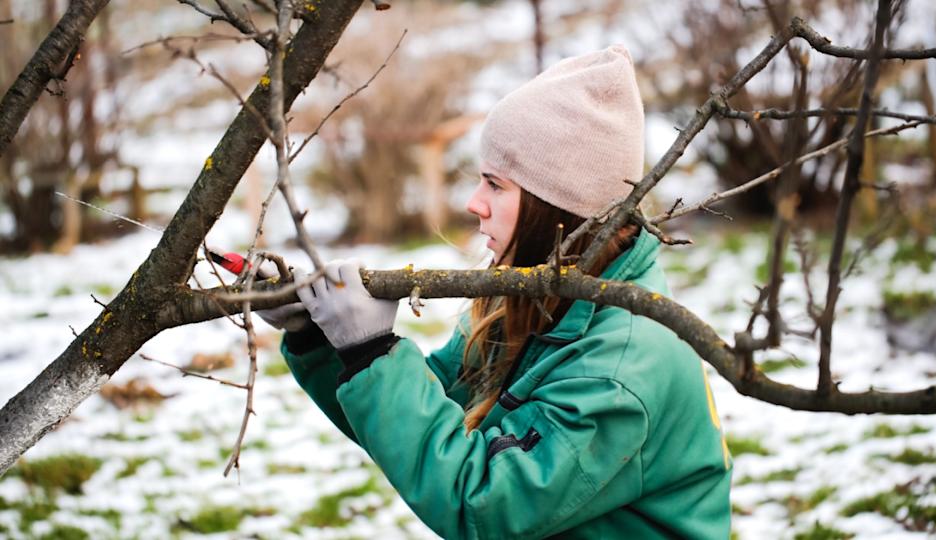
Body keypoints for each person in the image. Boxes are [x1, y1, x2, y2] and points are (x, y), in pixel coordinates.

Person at [264, 45, 732, 539]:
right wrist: (323, 340)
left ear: (557, 206)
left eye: (495, 185)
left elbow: (481, 505)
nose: (474, 203)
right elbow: (431, 418)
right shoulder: (535, 299)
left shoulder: (619, 371)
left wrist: (372, 352)